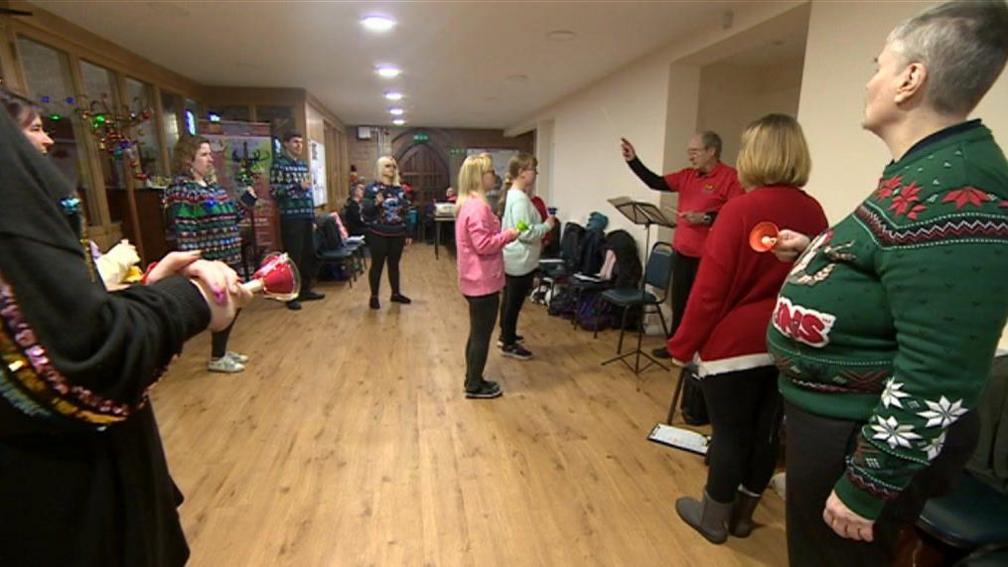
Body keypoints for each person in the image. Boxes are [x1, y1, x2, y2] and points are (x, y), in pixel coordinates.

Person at [765, 2, 1008, 564]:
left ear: (910, 79)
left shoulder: (957, 189)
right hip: (833, 423)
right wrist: (816, 257)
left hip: (858, 437)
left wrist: (867, 485)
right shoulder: (925, 172)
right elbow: (895, 265)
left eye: (879, 65)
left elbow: (941, 368)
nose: (869, 80)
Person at [0, 108, 249, 566]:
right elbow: (80, 362)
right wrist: (187, 299)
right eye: (33, 129)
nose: (47, 142)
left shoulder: (213, 187)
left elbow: (66, 312)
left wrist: (149, 292)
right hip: (61, 510)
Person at [666, 114, 828, 544]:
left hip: (735, 344)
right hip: (788, 341)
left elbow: (709, 292)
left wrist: (682, 345)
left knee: (730, 433)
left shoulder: (740, 209)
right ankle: (742, 517)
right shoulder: (814, 210)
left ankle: (713, 518)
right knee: (765, 431)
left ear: (755, 156)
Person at [620, 132, 744, 359]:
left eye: (694, 152)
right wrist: (633, 160)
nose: (690, 157)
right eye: (689, 152)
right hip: (682, 251)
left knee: (703, 306)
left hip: (709, 256)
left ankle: (702, 350)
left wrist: (705, 218)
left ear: (711, 151)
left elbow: (734, 214)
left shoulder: (730, 178)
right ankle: (676, 346)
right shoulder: (687, 176)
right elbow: (655, 181)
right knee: (680, 302)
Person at [164, 136, 254, 373]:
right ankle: (217, 357)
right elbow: (185, 230)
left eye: (209, 154)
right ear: (187, 159)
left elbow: (232, 216)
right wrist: (193, 264)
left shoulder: (213, 187)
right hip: (209, 264)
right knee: (217, 307)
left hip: (229, 259)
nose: (210, 158)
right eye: (203, 154)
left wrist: (248, 200)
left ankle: (221, 351)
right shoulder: (181, 190)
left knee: (233, 304)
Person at [454, 153, 520, 399]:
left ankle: (473, 378)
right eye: (491, 172)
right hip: (482, 282)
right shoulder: (478, 207)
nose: (495, 175)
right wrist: (508, 235)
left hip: (474, 280)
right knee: (481, 335)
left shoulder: (469, 205)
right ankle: (474, 385)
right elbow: (483, 245)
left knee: (476, 334)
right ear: (479, 177)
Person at [498, 153, 556, 359]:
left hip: (515, 258)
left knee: (509, 301)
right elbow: (526, 233)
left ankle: (506, 334)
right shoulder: (520, 200)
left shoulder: (515, 196)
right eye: (533, 169)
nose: (536, 173)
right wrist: (547, 225)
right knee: (513, 303)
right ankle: (508, 343)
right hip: (520, 260)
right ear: (522, 172)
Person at [270, 131, 324, 311]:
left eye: (301, 143)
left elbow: (308, 193)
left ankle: (305, 289)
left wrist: (312, 215)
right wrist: (297, 187)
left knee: (309, 253)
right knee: (294, 256)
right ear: (286, 144)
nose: (299, 146)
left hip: (306, 215)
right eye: (295, 142)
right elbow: (275, 192)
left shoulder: (302, 165)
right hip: (291, 217)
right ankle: (290, 294)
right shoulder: (279, 165)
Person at [362, 155, 412, 309]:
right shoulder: (372, 189)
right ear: (380, 168)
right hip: (378, 233)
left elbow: (406, 212)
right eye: (388, 166)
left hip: (398, 232)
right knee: (377, 265)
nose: (392, 169)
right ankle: (374, 296)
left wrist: (409, 233)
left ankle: (395, 294)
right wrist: (376, 203)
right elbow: (366, 212)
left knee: (394, 265)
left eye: (394, 166)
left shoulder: (400, 190)